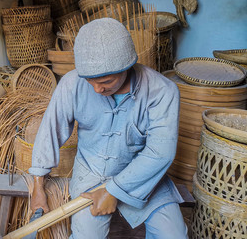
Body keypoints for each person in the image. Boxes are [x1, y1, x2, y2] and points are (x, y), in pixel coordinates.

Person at [29, 18, 188, 239]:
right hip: (91, 173)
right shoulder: (72, 83)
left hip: (142, 177)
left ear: (127, 67)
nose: (96, 89)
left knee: (174, 235)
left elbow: (160, 153)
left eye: (106, 81)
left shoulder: (162, 91)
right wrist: (38, 185)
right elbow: (50, 130)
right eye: (89, 81)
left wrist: (113, 190)